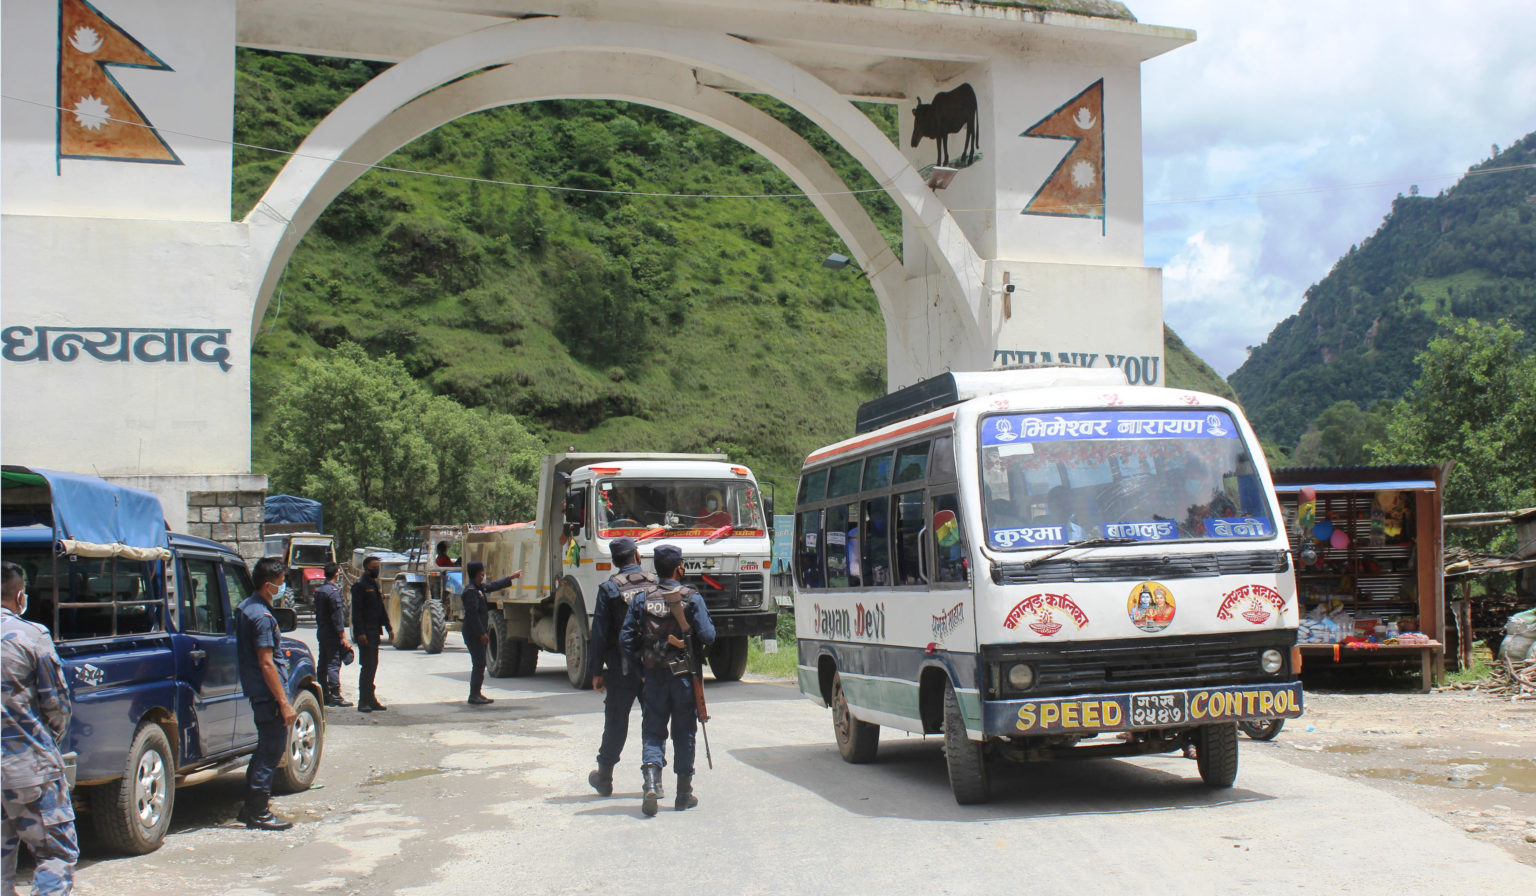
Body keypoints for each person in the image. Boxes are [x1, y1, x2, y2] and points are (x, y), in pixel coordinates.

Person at [620, 544, 715, 816]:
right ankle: (683, 794)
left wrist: (639, 669)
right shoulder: (691, 598)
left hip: (653, 674)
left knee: (652, 730)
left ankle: (651, 783)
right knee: (684, 732)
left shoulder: (641, 598)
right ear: (678, 567)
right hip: (684, 676)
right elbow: (708, 636)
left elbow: (626, 638)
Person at [1, 561, 78, 894]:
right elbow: (57, 705)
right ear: (21, 595)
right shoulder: (31, 636)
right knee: (56, 854)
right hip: (28, 768)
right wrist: (46, 738)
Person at [585, 537, 657, 796]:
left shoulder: (609, 589)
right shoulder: (655, 584)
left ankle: (604, 778)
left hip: (621, 668)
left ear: (615, 561)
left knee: (616, 721)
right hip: (653, 666)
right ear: (637, 556)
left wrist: (596, 672)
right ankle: (653, 778)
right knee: (653, 721)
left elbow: (600, 635)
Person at [235, 558, 299, 831]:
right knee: (271, 750)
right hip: (268, 694)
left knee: (264, 748)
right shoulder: (261, 617)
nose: (283, 587)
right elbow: (266, 662)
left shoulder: (246, 608)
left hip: (258, 691)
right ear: (269, 584)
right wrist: (284, 702)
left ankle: (250, 808)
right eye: (281, 582)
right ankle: (259, 813)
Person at [460, 561, 520, 706]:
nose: (483, 575)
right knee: (479, 663)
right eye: (481, 573)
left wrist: (510, 578)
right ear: (475, 574)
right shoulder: (471, 592)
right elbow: (473, 615)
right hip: (473, 633)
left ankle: (477, 693)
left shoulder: (478, 588)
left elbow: (493, 586)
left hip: (476, 632)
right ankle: (474, 695)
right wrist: (481, 633)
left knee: (480, 663)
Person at [351, 555, 394, 713]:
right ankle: (363, 701)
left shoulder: (374, 584)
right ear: (367, 568)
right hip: (365, 633)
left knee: (373, 666)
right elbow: (356, 612)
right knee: (367, 666)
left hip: (374, 632)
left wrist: (389, 627)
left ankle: (371, 699)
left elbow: (380, 609)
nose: (377, 569)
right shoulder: (360, 585)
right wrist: (359, 633)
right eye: (374, 567)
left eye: (378, 566)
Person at [312, 563, 352, 708]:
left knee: (322, 661)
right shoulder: (333, 592)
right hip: (331, 633)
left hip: (322, 630)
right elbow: (337, 618)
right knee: (333, 663)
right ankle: (335, 695)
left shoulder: (319, 590)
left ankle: (323, 693)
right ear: (336, 573)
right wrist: (343, 637)